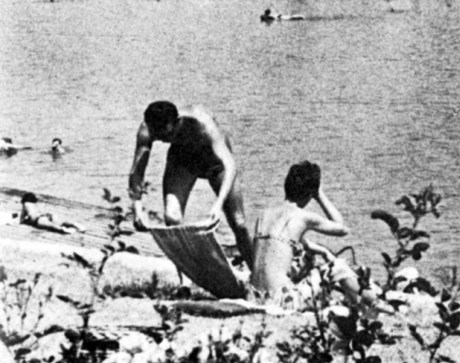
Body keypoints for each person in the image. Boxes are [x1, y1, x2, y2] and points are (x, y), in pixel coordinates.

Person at [127, 101, 255, 266]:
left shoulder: (202, 122)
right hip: (183, 161)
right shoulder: (147, 129)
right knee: (172, 218)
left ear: (177, 122)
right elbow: (137, 171)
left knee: (239, 223)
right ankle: (185, 282)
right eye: (158, 138)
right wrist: (137, 208)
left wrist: (218, 205)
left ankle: (257, 276)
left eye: (168, 136)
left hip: (215, 164)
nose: (164, 141)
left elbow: (230, 166)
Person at [250, 161, 361, 306]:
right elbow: (342, 229)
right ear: (310, 193)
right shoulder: (302, 216)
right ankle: (366, 304)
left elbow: (280, 242)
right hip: (282, 298)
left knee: (304, 262)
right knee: (338, 266)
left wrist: (323, 251)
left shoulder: (264, 215)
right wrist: (319, 195)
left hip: (254, 295)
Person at [20, 193, 85, 234]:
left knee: (51, 225)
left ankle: (64, 230)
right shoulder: (35, 204)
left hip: (38, 219)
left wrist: (25, 221)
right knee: (61, 222)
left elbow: (21, 219)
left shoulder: (25, 204)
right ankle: (75, 224)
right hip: (46, 215)